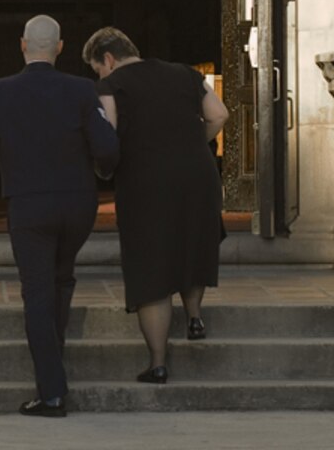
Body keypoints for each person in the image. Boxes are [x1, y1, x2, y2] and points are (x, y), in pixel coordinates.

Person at [0, 14, 119, 418]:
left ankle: (51, 393)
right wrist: (101, 174)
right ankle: (54, 365)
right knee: (60, 279)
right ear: (61, 47)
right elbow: (107, 148)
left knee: (37, 292)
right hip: (78, 205)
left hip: (29, 206)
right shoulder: (84, 90)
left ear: (22, 45)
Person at [82, 26, 229, 384]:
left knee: (151, 269)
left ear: (108, 59)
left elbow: (108, 139)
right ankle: (194, 317)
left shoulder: (111, 85)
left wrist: (104, 170)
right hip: (198, 173)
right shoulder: (185, 73)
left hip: (146, 179)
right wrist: (190, 143)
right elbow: (219, 114)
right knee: (193, 243)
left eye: (96, 68)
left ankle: (158, 362)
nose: (98, 75)